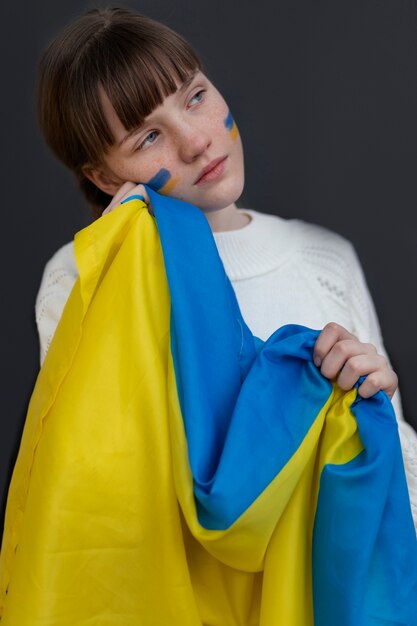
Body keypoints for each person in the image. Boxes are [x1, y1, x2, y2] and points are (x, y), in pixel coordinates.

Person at [34, 6, 417, 527]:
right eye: (148, 137)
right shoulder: (82, 277)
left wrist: (374, 414)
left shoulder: (326, 258)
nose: (196, 142)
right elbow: (105, 504)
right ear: (104, 177)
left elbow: (402, 501)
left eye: (195, 97)